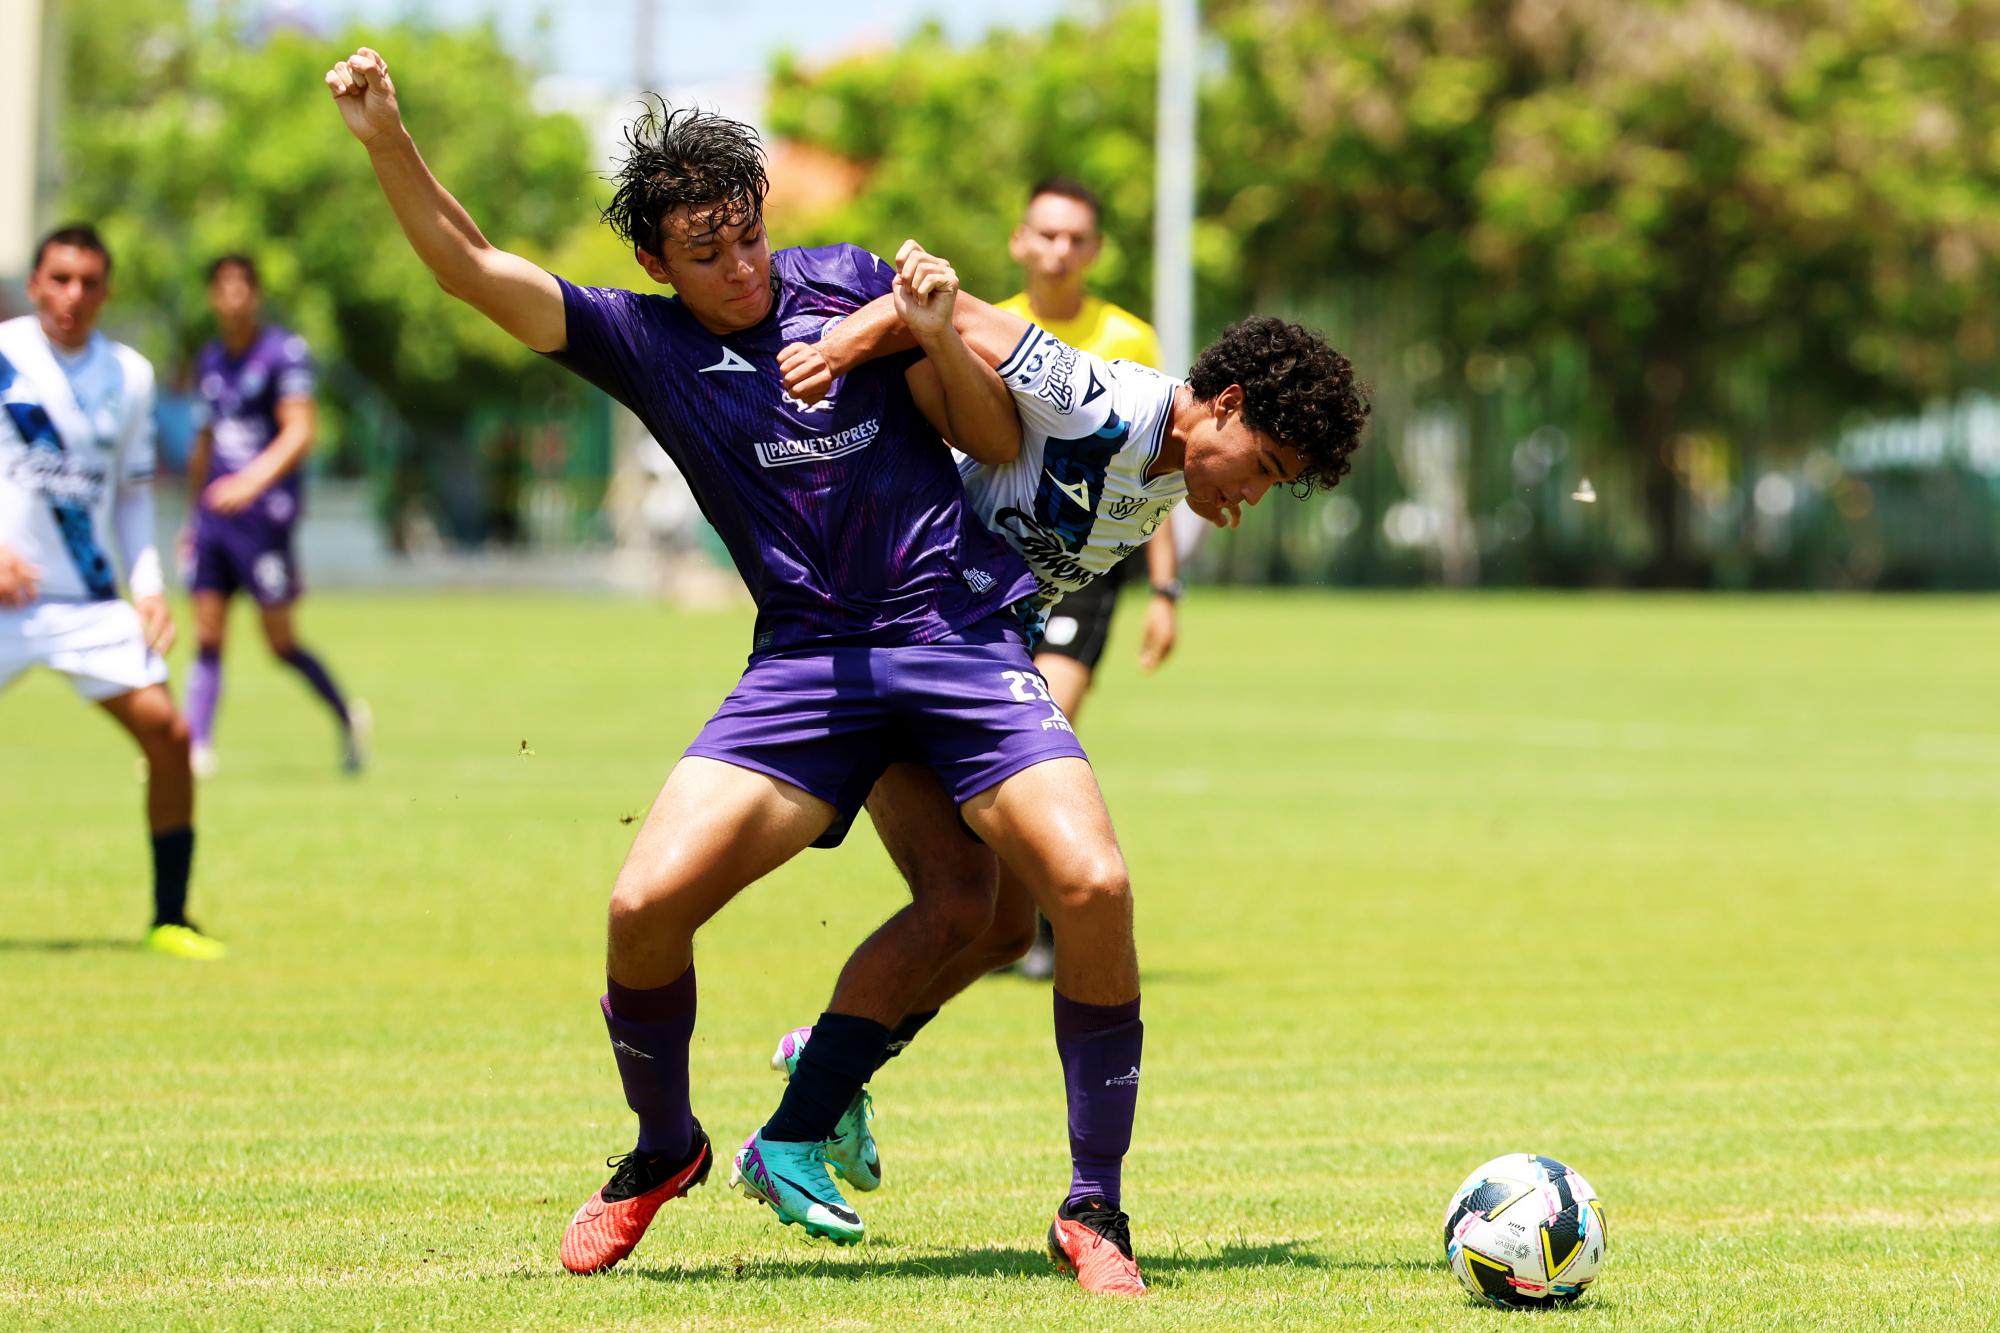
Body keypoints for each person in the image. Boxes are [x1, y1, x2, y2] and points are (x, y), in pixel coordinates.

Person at [324, 48, 1152, 1294]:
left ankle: (1093, 1207)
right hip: (807, 667)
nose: (739, 266)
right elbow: (470, 265)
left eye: (747, 236)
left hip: (953, 634)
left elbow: (983, 435)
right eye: (704, 252)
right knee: (641, 908)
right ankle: (664, 1149)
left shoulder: (849, 285)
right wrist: (386, 133)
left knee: (1078, 887)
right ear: (656, 263)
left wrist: (925, 325)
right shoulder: (640, 338)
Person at [767, 239, 1368, 1291]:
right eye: (1264, 468)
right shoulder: (1110, 399)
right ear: (1221, 404)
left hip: (948, 648)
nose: (1254, 497)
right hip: (919, 636)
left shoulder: (1169, 468)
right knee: (1086, 884)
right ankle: (1093, 1205)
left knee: (989, 918)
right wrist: (839, 344)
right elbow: (957, 317)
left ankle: (812, 1091)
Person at [0, 223, 224, 961]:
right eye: (59, 278)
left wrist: (150, 586)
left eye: (88, 282)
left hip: (87, 601)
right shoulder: (4, 357)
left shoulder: (128, 373)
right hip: (5, 599)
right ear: (34, 284)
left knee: (170, 733)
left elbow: (131, 494)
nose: (73, 295)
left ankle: (170, 917)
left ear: (106, 291)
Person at [996, 176, 1178, 980]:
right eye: (1047, 235)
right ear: (1020, 241)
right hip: (999, 567)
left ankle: (1048, 920)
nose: (1060, 250)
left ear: (1095, 250)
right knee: (993, 743)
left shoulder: (1127, 338)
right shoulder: (996, 324)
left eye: (1076, 238)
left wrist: (1165, 592)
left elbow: (1161, 472)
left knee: (1045, 722)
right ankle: (1000, 920)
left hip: (1090, 573)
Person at [184, 254, 364, 777]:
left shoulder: (284, 354)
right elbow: (204, 440)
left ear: (257, 295)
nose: (234, 296)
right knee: (208, 632)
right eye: (223, 287)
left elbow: (301, 431)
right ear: (213, 298)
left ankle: (347, 716)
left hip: (265, 518)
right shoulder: (210, 360)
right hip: (215, 520)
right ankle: (196, 746)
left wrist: (250, 482)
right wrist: (191, 518)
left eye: (244, 285)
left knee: (280, 644)